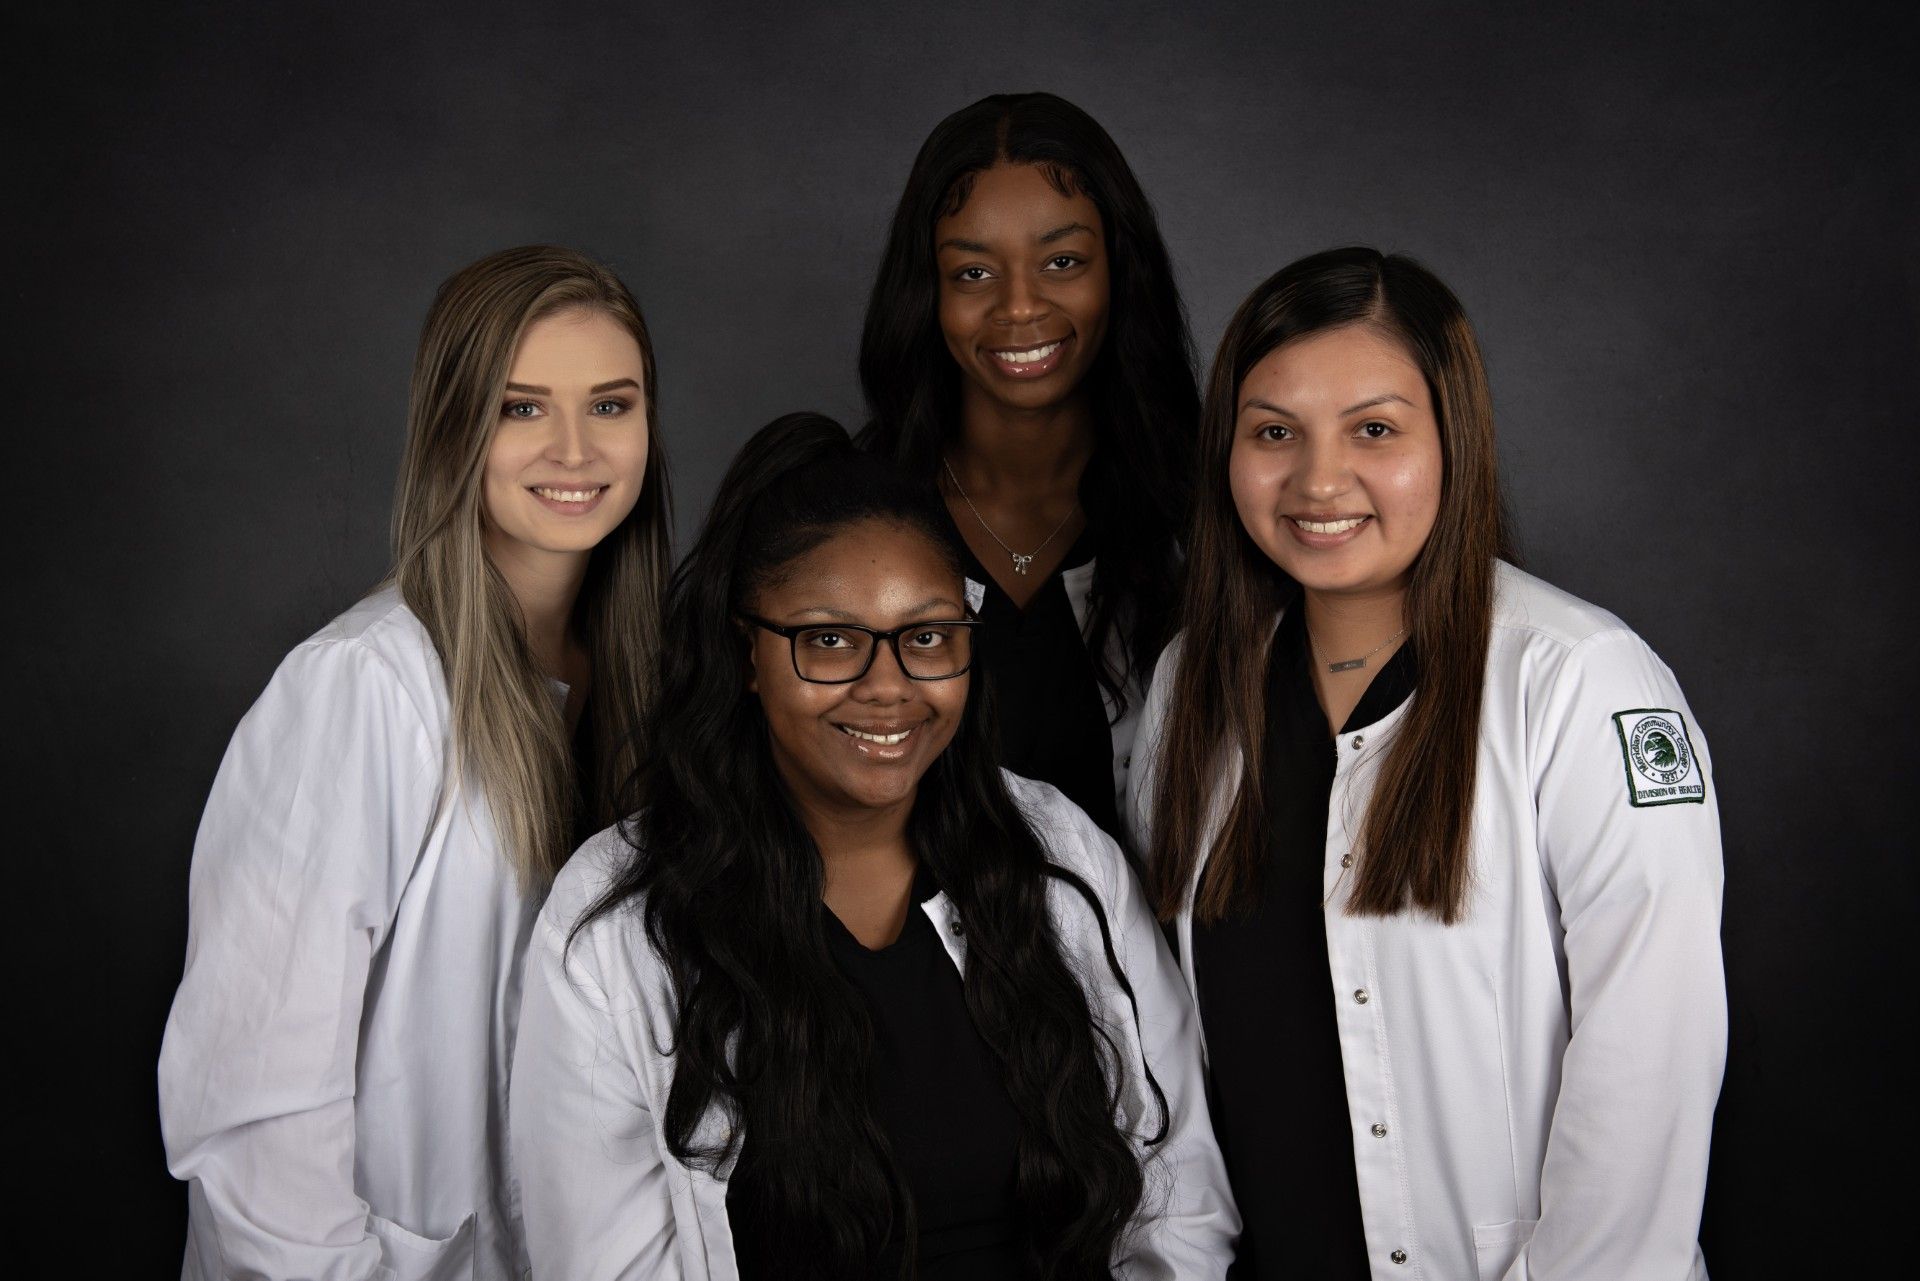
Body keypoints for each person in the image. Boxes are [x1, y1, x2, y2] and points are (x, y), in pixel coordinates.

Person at [511, 413, 1236, 1280]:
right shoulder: (621, 920)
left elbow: (1179, 1199)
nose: (887, 687)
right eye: (830, 641)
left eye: (927, 636)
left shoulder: (1060, 855)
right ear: (748, 653)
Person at [1129, 248, 1725, 1279]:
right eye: (1275, 432)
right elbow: (1167, 1059)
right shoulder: (1192, 690)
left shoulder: (1582, 683)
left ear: (1455, 438)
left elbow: (1650, 1072)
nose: (1319, 480)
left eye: (1374, 430)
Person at [159, 245, 672, 1279]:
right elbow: (258, 1116)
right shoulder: (360, 690)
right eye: (521, 408)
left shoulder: (654, 682)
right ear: (453, 430)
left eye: (610, 405)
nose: (574, 449)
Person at [859, 91, 1198, 837]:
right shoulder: (851, 514)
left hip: (1157, 954)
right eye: (974, 273)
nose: (1019, 306)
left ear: (1120, 270)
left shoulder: (1208, 511)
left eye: (1063, 261)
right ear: (927, 292)